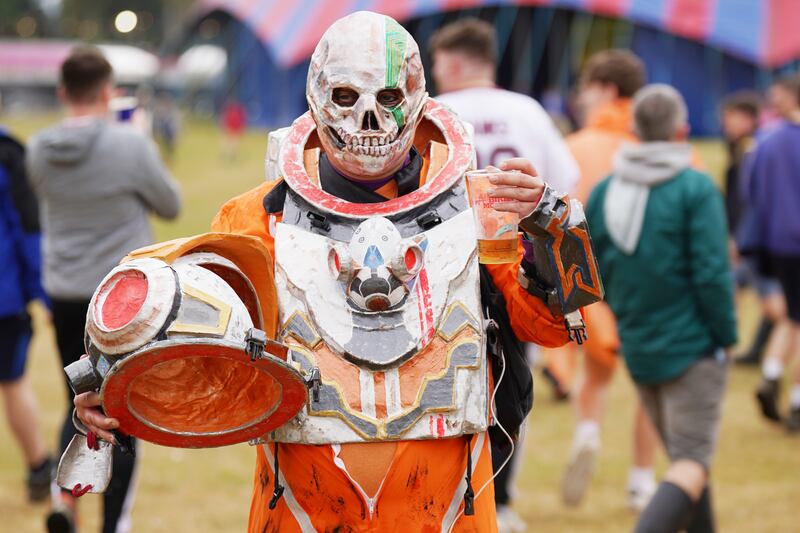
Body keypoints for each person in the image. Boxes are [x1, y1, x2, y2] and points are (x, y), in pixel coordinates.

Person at [72, 12, 602, 531]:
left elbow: (549, 327)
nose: (370, 120)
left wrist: (545, 225)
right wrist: (113, 384)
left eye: (389, 98)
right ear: (319, 98)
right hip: (301, 503)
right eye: (348, 97)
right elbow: (207, 361)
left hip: (447, 504)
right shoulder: (255, 218)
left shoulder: (476, 204)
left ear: (417, 99)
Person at [429, 17, 580, 532]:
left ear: (451, 62)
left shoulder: (436, 114)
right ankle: (505, 496)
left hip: (444, 268)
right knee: (513, 382)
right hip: (517, 269)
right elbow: (561, 187)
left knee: (441, 380)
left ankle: (451, 492)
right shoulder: (529, 111)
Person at [26, 46, 181, 533]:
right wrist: (139, 143)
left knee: (79, 393)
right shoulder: (128, 146)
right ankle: (114, 522)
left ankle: (62, 494)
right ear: (109, 91)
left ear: (63, 92)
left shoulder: (38, 150)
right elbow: (170, 203)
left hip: (65, 292)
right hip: (122, 300)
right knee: (124, 407)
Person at [587, 84, 736, 533]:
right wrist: (726, 336)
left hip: (639, 342)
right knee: (690, 462)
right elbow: (712, 273)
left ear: (633, 130)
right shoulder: (693, 186)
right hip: (693, 345)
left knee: (686, 459)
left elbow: (592, 271)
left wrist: (626, 314)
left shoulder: (607, 189)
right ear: (682, 131)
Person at [546, 49, 661, 511]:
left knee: (597, 368)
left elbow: (558, 216)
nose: (579, 96)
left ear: (606, 90)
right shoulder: (654, 142)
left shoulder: (576, 146)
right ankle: (641, 481)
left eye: (585, 86)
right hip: (651, 277)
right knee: (651, 386)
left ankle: (589, 432)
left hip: (591, 276)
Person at [740, 74, 800, 432]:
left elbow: (751, 192)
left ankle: (772, 371)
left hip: (777, 243)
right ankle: (796, 402)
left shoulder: (764, 142)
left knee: (793, 315)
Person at [0, 125, 52, 503]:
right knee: (13, 383)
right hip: (5, 300)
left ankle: (38, 469)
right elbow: (28, 229)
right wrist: (43, 294)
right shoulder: (7, 153)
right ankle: (38, 469)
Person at [720, 92, 782, 367]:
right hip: (747, 238)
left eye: (731, 118)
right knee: (730, 292)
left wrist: (740, 238)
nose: (725, 124)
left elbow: (749, 200)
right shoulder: (741, 148)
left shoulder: (752, 150)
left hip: (753, 241)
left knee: (775, 305)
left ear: (747, 119)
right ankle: (731, 351)